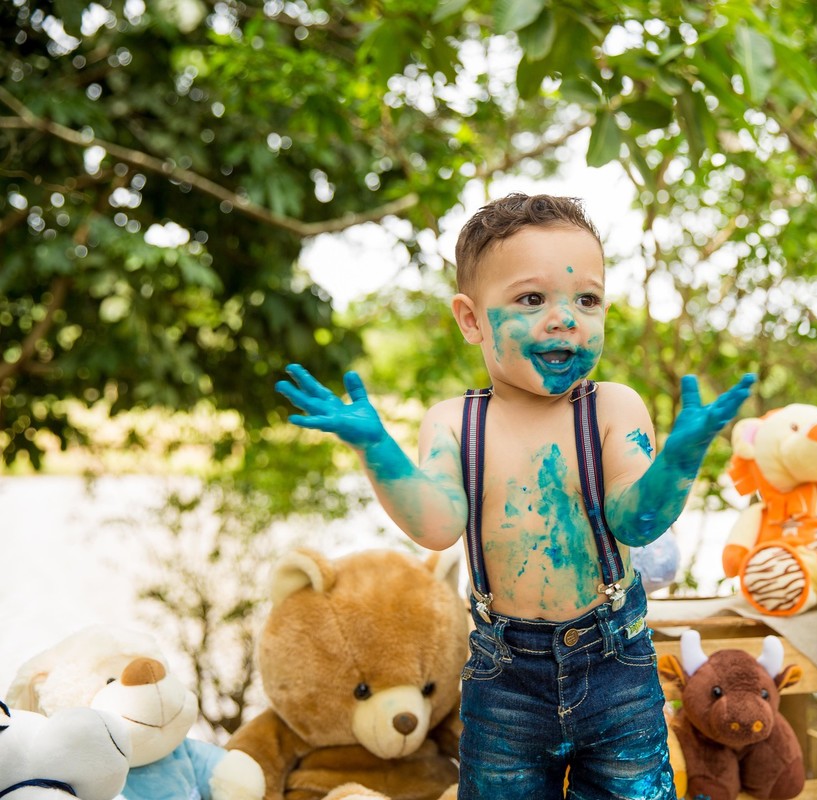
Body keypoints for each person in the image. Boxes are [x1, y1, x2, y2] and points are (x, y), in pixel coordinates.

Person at [276, 193, 755, 800]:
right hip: (505, 677)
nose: (565, 319)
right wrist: (377, 448)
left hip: (615, 666)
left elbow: (636, 523)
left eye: (586, 299)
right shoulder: (454, 424)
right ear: (472, 319)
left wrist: (680, 460)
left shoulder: (611, 409)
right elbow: (438, 525)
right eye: (532, 299)